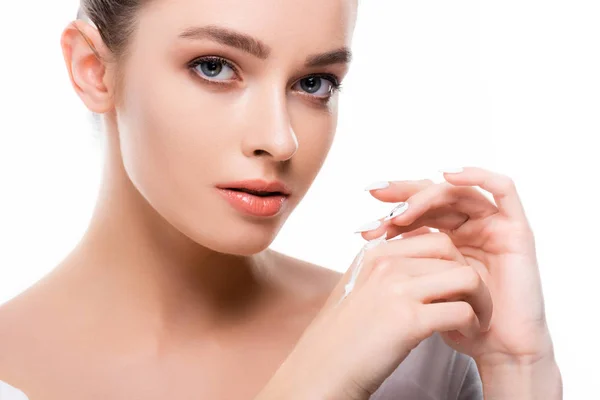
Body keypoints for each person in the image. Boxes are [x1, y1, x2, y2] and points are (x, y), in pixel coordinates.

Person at [0, 0, 562, 398]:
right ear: (92, 69)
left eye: (314, 82)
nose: (280, 138)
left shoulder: (417, 342)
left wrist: (518, 366)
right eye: (215, 67)